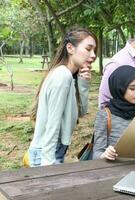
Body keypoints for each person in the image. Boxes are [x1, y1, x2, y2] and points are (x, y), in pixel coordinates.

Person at [28, 28, 97, 166]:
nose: (93, 55)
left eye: (95, 50)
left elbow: (81, 112)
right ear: (70, 48)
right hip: (47, 155)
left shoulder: (70, 76)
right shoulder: (62, 75)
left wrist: (83, 84)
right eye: (88, 49)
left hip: (53, 151)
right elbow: (52, 123)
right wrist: (48, 164)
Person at [93, 65, 135, 161]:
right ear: (119, 88)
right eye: (132, 88)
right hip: (113, 170)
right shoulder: (104, 115)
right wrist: (106, 154)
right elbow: (96, 153)